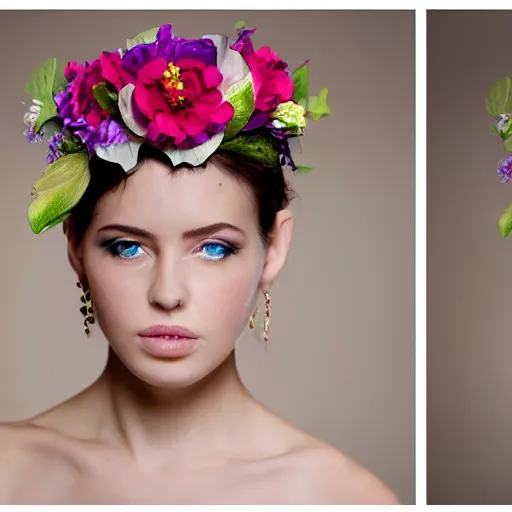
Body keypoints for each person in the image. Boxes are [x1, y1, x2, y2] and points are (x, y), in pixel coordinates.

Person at [0, 22, 399, 505]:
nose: (168, 294)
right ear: (76, 248)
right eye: (128, 247)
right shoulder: (10, 470)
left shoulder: (341, 497)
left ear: (273, 248)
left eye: (214, 248)